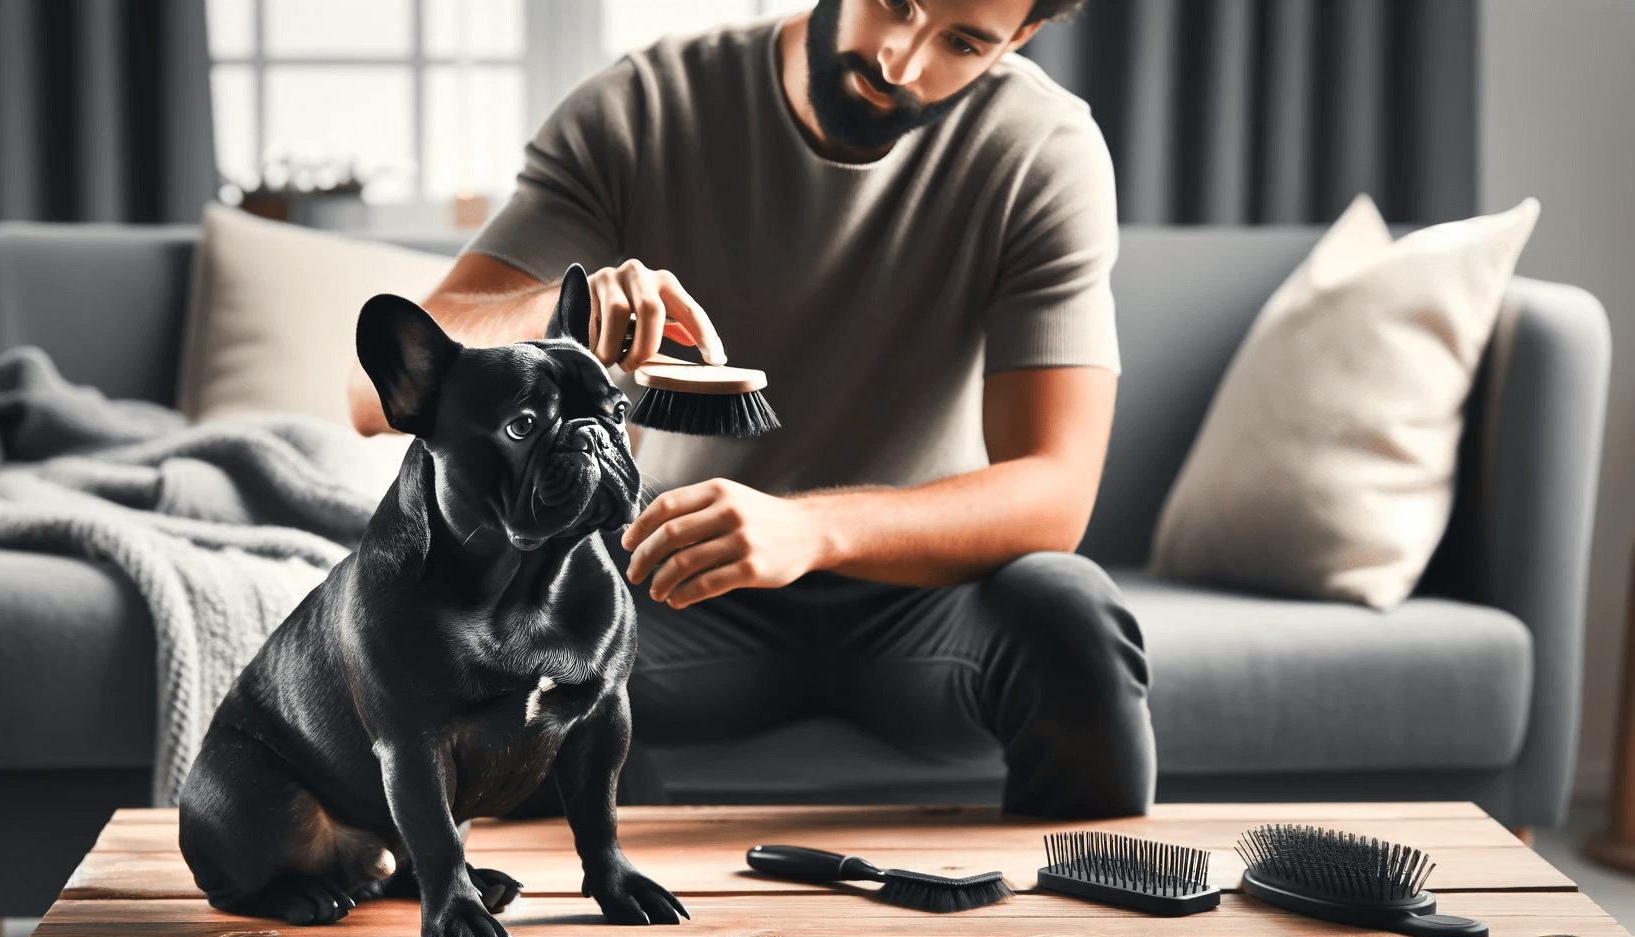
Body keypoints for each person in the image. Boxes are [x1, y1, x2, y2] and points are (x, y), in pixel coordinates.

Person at [347, 0, 1152, 819]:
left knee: (1072, 616)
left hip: (924, 592)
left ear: (1018, 39)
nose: (900, 64)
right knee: (497, 641)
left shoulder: (1044, 148)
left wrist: (810, 530)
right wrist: (553, 310)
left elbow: (1056, 489)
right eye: (895, 4)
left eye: (964, 41)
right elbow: (365, 395)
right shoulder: (643, 108)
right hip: (665, 574)